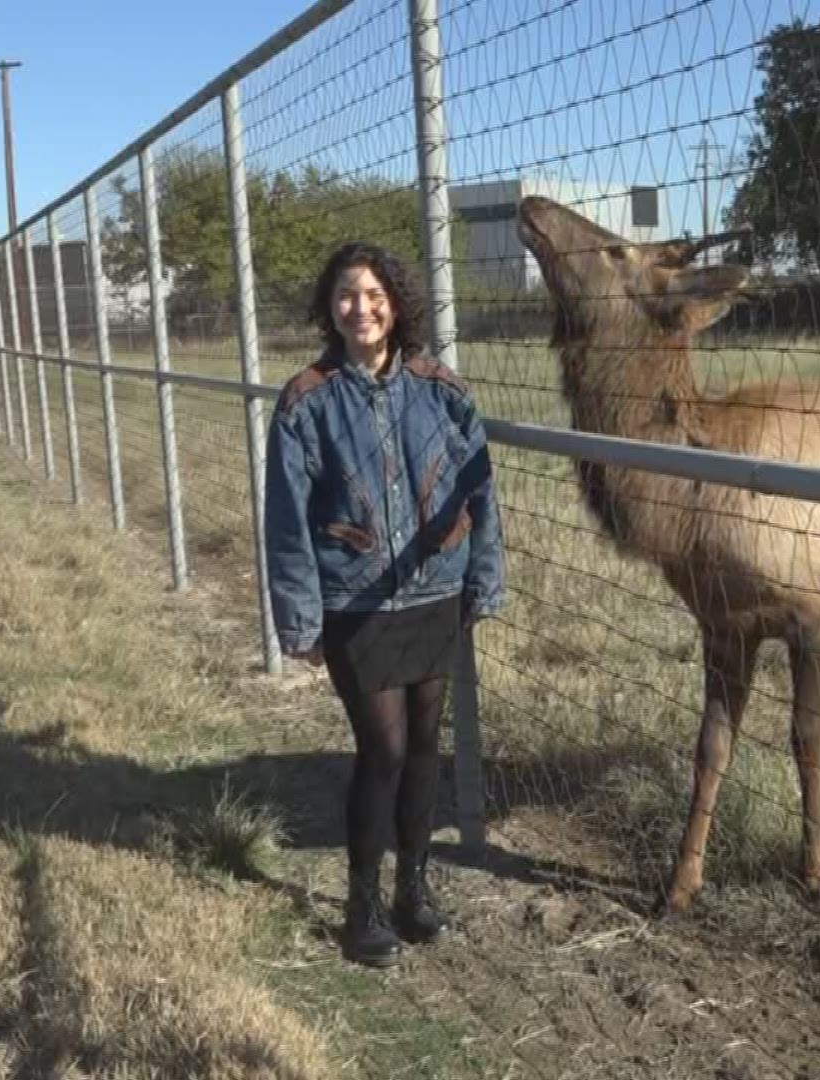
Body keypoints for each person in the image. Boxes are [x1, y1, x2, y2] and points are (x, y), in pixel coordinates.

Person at [263, 241, 506, 968]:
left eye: (374, 294)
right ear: (328, 306)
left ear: (396, 303)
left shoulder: (444, 389)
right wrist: (299, 618)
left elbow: (483, 492)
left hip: (436, 593)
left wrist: (482, 578)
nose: (360, 308)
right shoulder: (305, 400)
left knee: (427, 747)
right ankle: (362, 907)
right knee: (385, 750)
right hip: (354, 603)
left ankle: (415, 889)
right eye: (346, 295)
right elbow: (286, 520)